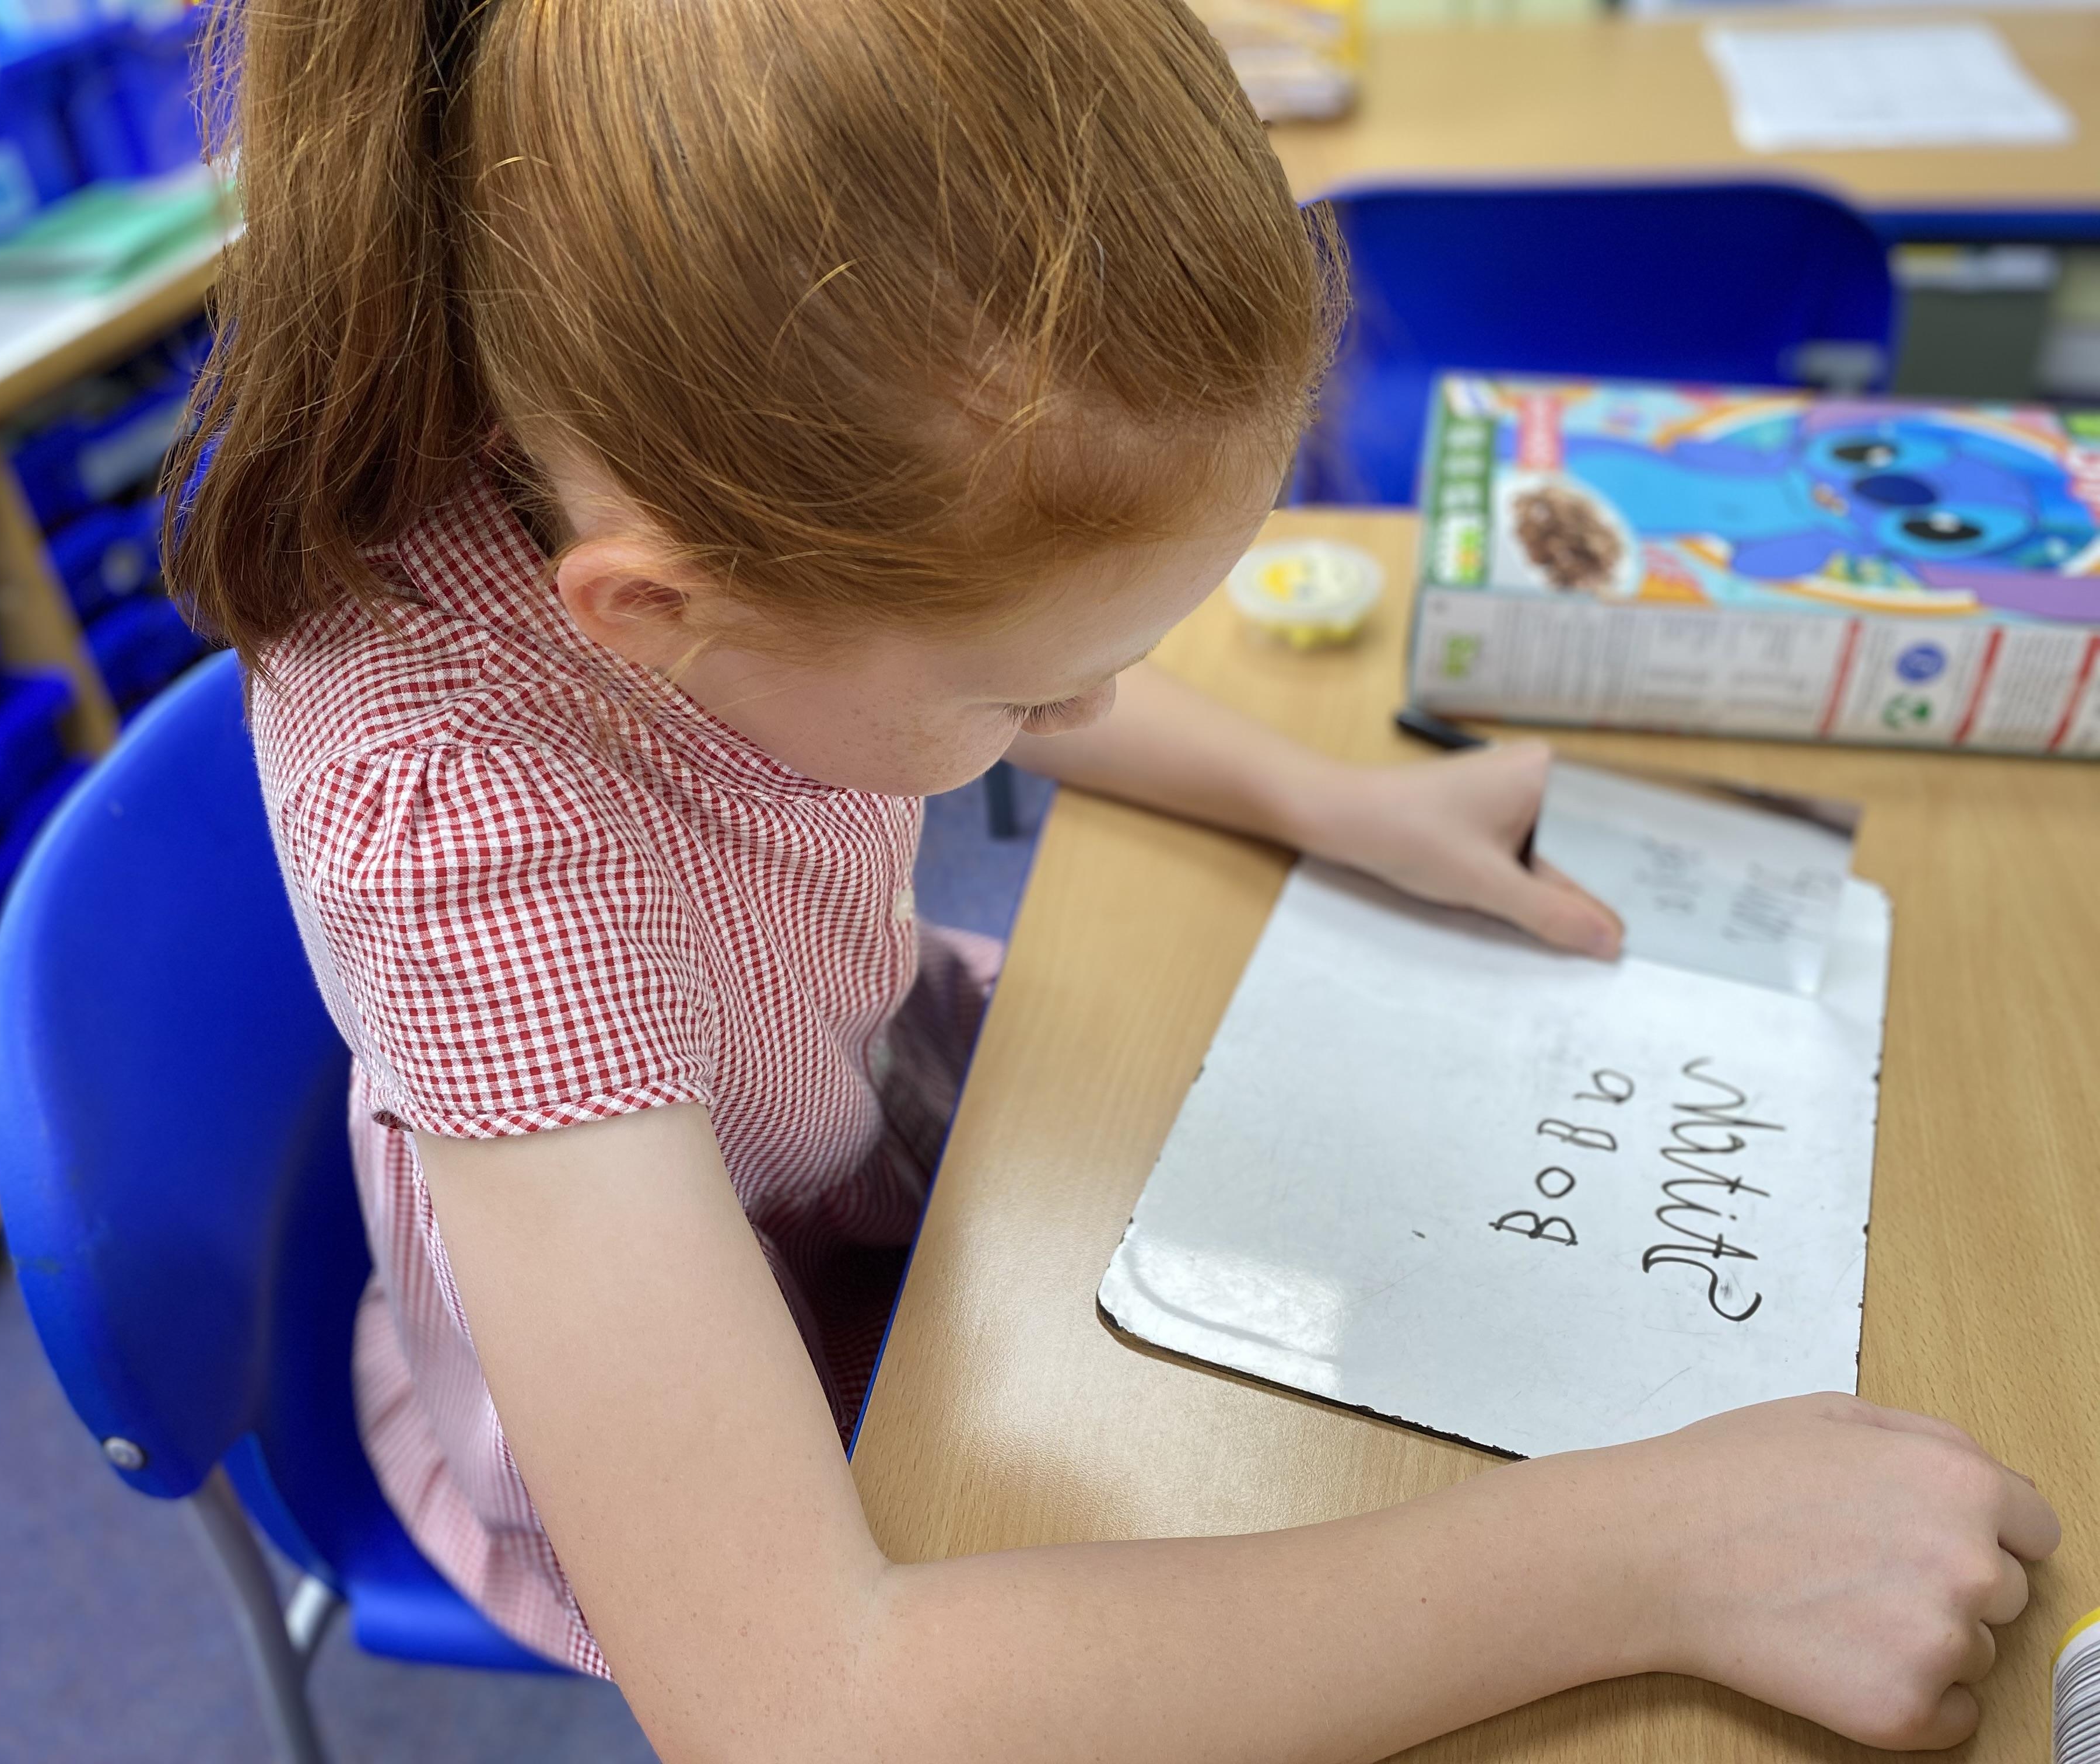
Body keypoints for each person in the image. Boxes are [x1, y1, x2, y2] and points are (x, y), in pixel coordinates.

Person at [168, 1, 2059, 1757]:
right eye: (1024, 699)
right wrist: (1644, 1556)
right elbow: (800, 1708)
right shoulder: (472, 836)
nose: (1075, 716)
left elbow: (933, 633)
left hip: (834, 1093)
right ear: (659, 614)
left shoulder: (703, 520)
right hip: (672, 1362)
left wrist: (1331, 799)